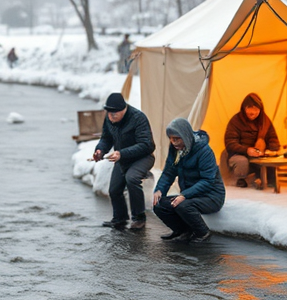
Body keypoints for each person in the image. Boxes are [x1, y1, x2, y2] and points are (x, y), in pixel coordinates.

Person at [152, 118, 226, 243]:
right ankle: (182, 231)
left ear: (185, 136)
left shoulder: (204, 151)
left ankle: (202, 232)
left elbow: (208, 180)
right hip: (190, 194)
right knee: (159, 205)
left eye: (176, 138)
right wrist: (159, 190)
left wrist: (184, 195)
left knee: (182, 205)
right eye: (170, 138)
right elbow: (169, 172)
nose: (173, 142)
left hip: (211, 196)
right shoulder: (175, 150)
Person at [92, 92, 156, 230]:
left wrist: (122, 153)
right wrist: (100, 151)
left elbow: (147, 145)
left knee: (131, 178)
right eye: (108, 113)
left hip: (143, 157)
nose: (110, 116)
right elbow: (106, 138)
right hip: (122, 158)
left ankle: (139, 218)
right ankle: (119, 219)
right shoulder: (110, 118)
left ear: (124, 110)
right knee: (114, 189)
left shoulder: (138, 118)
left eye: (114, 114)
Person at [221, 93, 280, 189]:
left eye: (256, 109)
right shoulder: (236, 121)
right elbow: (230, 143)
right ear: (244, 108)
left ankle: (269, 181)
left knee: (270, 161)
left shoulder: (264, 121)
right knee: (242, 162)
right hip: (239, 153)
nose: (252, 112)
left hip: (259, 153)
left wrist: (271, 149)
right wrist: (247, 150)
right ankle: (241, 180)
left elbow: (273, 138)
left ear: (260, 110)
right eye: (249, 108)